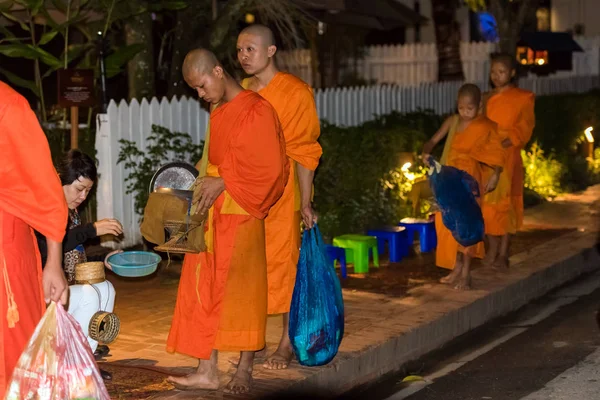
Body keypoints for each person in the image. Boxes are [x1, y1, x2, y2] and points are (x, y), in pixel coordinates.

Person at [166, 48, 289, 395]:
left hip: (243, 211)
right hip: (213, 210)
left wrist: (225, 181)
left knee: (242, 294)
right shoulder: (218, 110)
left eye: (202, 85)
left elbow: (271, 167)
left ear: (218, 71)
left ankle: (245, 368)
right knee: (203, 287)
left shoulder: (257, 109)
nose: (200, 94)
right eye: (195, 90)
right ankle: (207, 369)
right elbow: (211, 161)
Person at [236, 24, 322, 370]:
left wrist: (304, 201)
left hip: (284, 192)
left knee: (283, 265)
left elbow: (305, 151)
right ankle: (253, 338)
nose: (243, 56)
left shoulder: (296, 92)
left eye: (250, 49)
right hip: (247, 192)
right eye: (240, 50)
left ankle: (286, 342)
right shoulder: (241, 90)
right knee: (250, 266)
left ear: (271, 51)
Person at [0, 81, 69, 397]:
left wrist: (54, 262)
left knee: (16, 362)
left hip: (7, 254)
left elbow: (45, 188)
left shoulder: (9, 106)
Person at [35, 149, 123, 381]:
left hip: (60, 287)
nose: (83, 196)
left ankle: (86, 357)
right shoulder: (43, 206)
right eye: (79, 189)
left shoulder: (71, 212)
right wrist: (92, 229)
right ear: (60, 181)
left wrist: (103, 260)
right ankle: (71, 365)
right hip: (38, 290)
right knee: (87, 294)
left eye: (88, 190)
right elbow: (48, 250)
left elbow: (73, 255)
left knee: (105, 288)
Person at [422, 84, 504, 289]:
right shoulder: (453, 121)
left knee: (467, 226)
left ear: (479, 106)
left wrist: (495, 175)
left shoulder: (486, 126)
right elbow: (432, 140)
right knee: (446, 223)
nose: (465, 112)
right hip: (449, 179)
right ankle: (455, 267)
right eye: (461, 108)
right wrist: (426, 151)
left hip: (470, 181)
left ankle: (466, 274)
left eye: (470, 108)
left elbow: (496, 155)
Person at [481, 53, 535, 269]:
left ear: (512, 73)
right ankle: (491, 246)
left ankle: (503, 253)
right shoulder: (486, 98)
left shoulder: (523, 98)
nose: (496, 76)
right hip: (485, 157)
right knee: (483, 204)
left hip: (507, 157)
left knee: (504, 205)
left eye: (501, 71)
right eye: (493, 71)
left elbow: (524, 128)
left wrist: (504, 142)